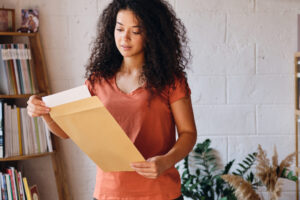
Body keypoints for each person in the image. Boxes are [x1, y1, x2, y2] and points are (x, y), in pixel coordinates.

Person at [27, 0, 197, 199]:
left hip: (159, 192)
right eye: (119, 29)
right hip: (109, 192)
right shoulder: (97, 81)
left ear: (152, 34)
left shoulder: (171, 80)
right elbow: (67, 132)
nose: (124, 38)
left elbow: (188, 133)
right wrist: (44, 112)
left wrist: (166, 161)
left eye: (135, 31)